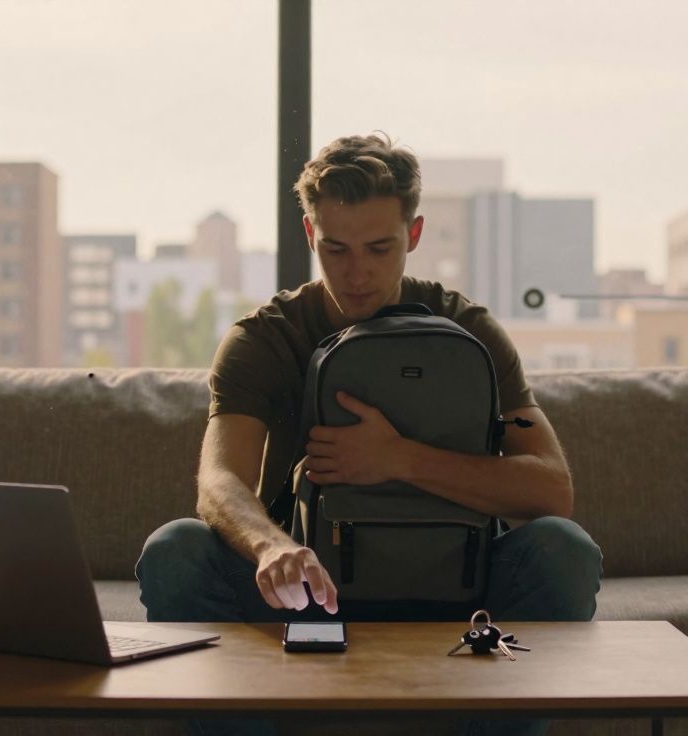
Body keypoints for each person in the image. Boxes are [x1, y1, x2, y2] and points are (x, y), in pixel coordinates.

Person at [137, 133, 603, 736]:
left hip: (459, 592)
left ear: (414, 234)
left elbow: (551, 489)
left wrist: (398, 459)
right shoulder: (264, 338)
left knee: (563, 549)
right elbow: (219, 480)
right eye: (336, 248)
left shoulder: (470, 333)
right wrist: (271, 547)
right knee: (176, 551)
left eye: (380, 248)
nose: (357, 273)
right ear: (310, 234)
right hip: (311, 593)